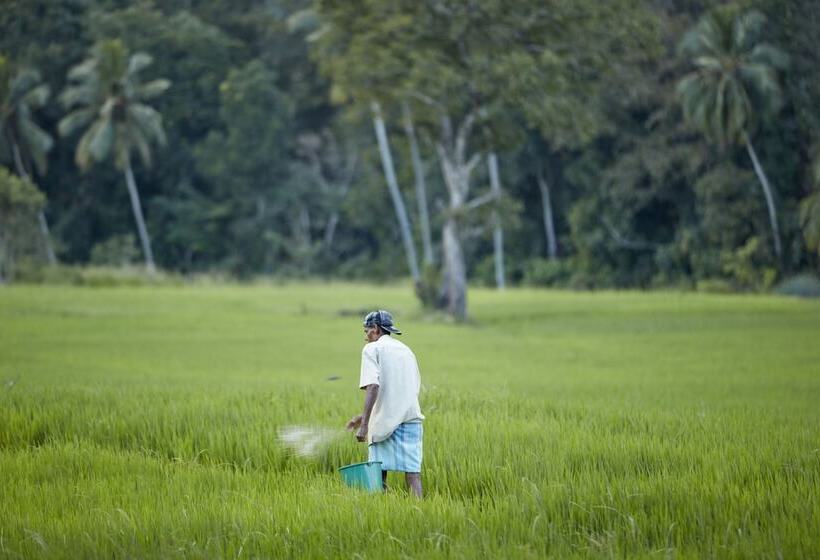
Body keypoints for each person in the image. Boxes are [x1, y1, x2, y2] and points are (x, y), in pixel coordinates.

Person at [346, 310, 424, 497]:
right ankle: (419, 509)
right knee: (413, 475)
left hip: (384, 424)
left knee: (378, 474)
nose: (366, 337)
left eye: (366, 331)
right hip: (411, 420)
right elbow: (403, 390)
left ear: (376, 328)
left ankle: (382, 505)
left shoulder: (372, 349)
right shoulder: (406, 351)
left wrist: (364, 426)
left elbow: (373, 386)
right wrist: (362, 417)